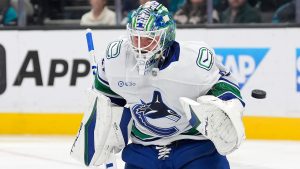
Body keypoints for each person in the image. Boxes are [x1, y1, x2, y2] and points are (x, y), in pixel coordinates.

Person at [71, 1, 245, 169]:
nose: (140, 47)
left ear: (166, 36)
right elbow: (105, 99)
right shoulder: (117, 58)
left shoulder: (194, 61)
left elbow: (227, 86)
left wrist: (225, 107)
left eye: (148, 39)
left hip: (195, 149)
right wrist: (105, 125)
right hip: (144, 152)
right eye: (135, 38)